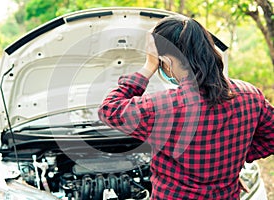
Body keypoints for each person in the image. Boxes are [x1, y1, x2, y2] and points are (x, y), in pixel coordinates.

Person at [97, 14, 274, 199]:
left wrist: (148, 66)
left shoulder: (163, 107)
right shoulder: (251, 95)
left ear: (167, 62)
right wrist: (231, 165)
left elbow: (109, 110)